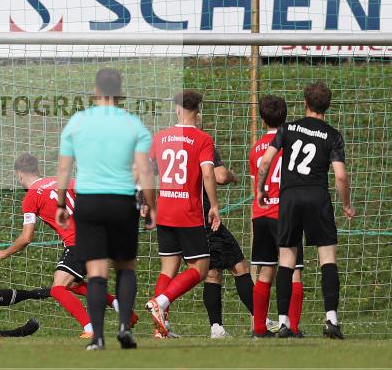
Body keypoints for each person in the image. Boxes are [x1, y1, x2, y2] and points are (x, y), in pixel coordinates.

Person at [56, 68, 156, 350]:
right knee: (125, 268)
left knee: (96, 271)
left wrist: (61, 203)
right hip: (122, 201)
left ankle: (98, 338)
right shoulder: (133, 123)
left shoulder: (78, 121)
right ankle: (125, 327)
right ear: (120, 91)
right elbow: (146, 171)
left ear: (95, 91)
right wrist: (151, 206)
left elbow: (64, 167)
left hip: (88, 201)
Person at [0, 154, 136, 338]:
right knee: (73, 284)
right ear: (38, 170)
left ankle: (90, 328)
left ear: (19, 175)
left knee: (58, 288)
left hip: (78, 242)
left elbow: (26, 237)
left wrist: (4, 252)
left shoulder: (31, 198)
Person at [255, 82, 355, 340]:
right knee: (328, 259)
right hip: (317, 195)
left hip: (290, 197)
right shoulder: (332, 135)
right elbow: (341, 176)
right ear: (327, 106)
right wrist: (346, 203)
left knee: (286, 260)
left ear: (305, 103)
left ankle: (283, 322)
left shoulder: (288, 128)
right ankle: (332, 319)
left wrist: (262, 188)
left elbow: (266, 160)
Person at [145, 90, 221, 339]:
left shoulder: (160, 137)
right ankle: (161, 303)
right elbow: (208, 174)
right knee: (200, 268)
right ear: (198, 111)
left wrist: (145, 202)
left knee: (168, 267)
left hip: (164, 209)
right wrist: (214, 205)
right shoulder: (203, 139)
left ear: (177, 109)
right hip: (187, 212)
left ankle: (161, 329)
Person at [249, 95, 305, 339]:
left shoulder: (256, 149)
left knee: (265, 271)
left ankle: (259, 328)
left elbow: (256, 183)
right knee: (293, 270)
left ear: (263, 120)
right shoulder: (292, 144)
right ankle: (290, 326)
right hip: (284, 214)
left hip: (261, 214)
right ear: (285, 118)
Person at [197, 136, 261, 339]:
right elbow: (221, 175)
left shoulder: (174, 141)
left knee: (219, 269)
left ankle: (219, 327)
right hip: (205, 215)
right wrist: (233, 176)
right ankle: (257, 319)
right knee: (229, 268)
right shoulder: (202, 142)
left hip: (190, 214)